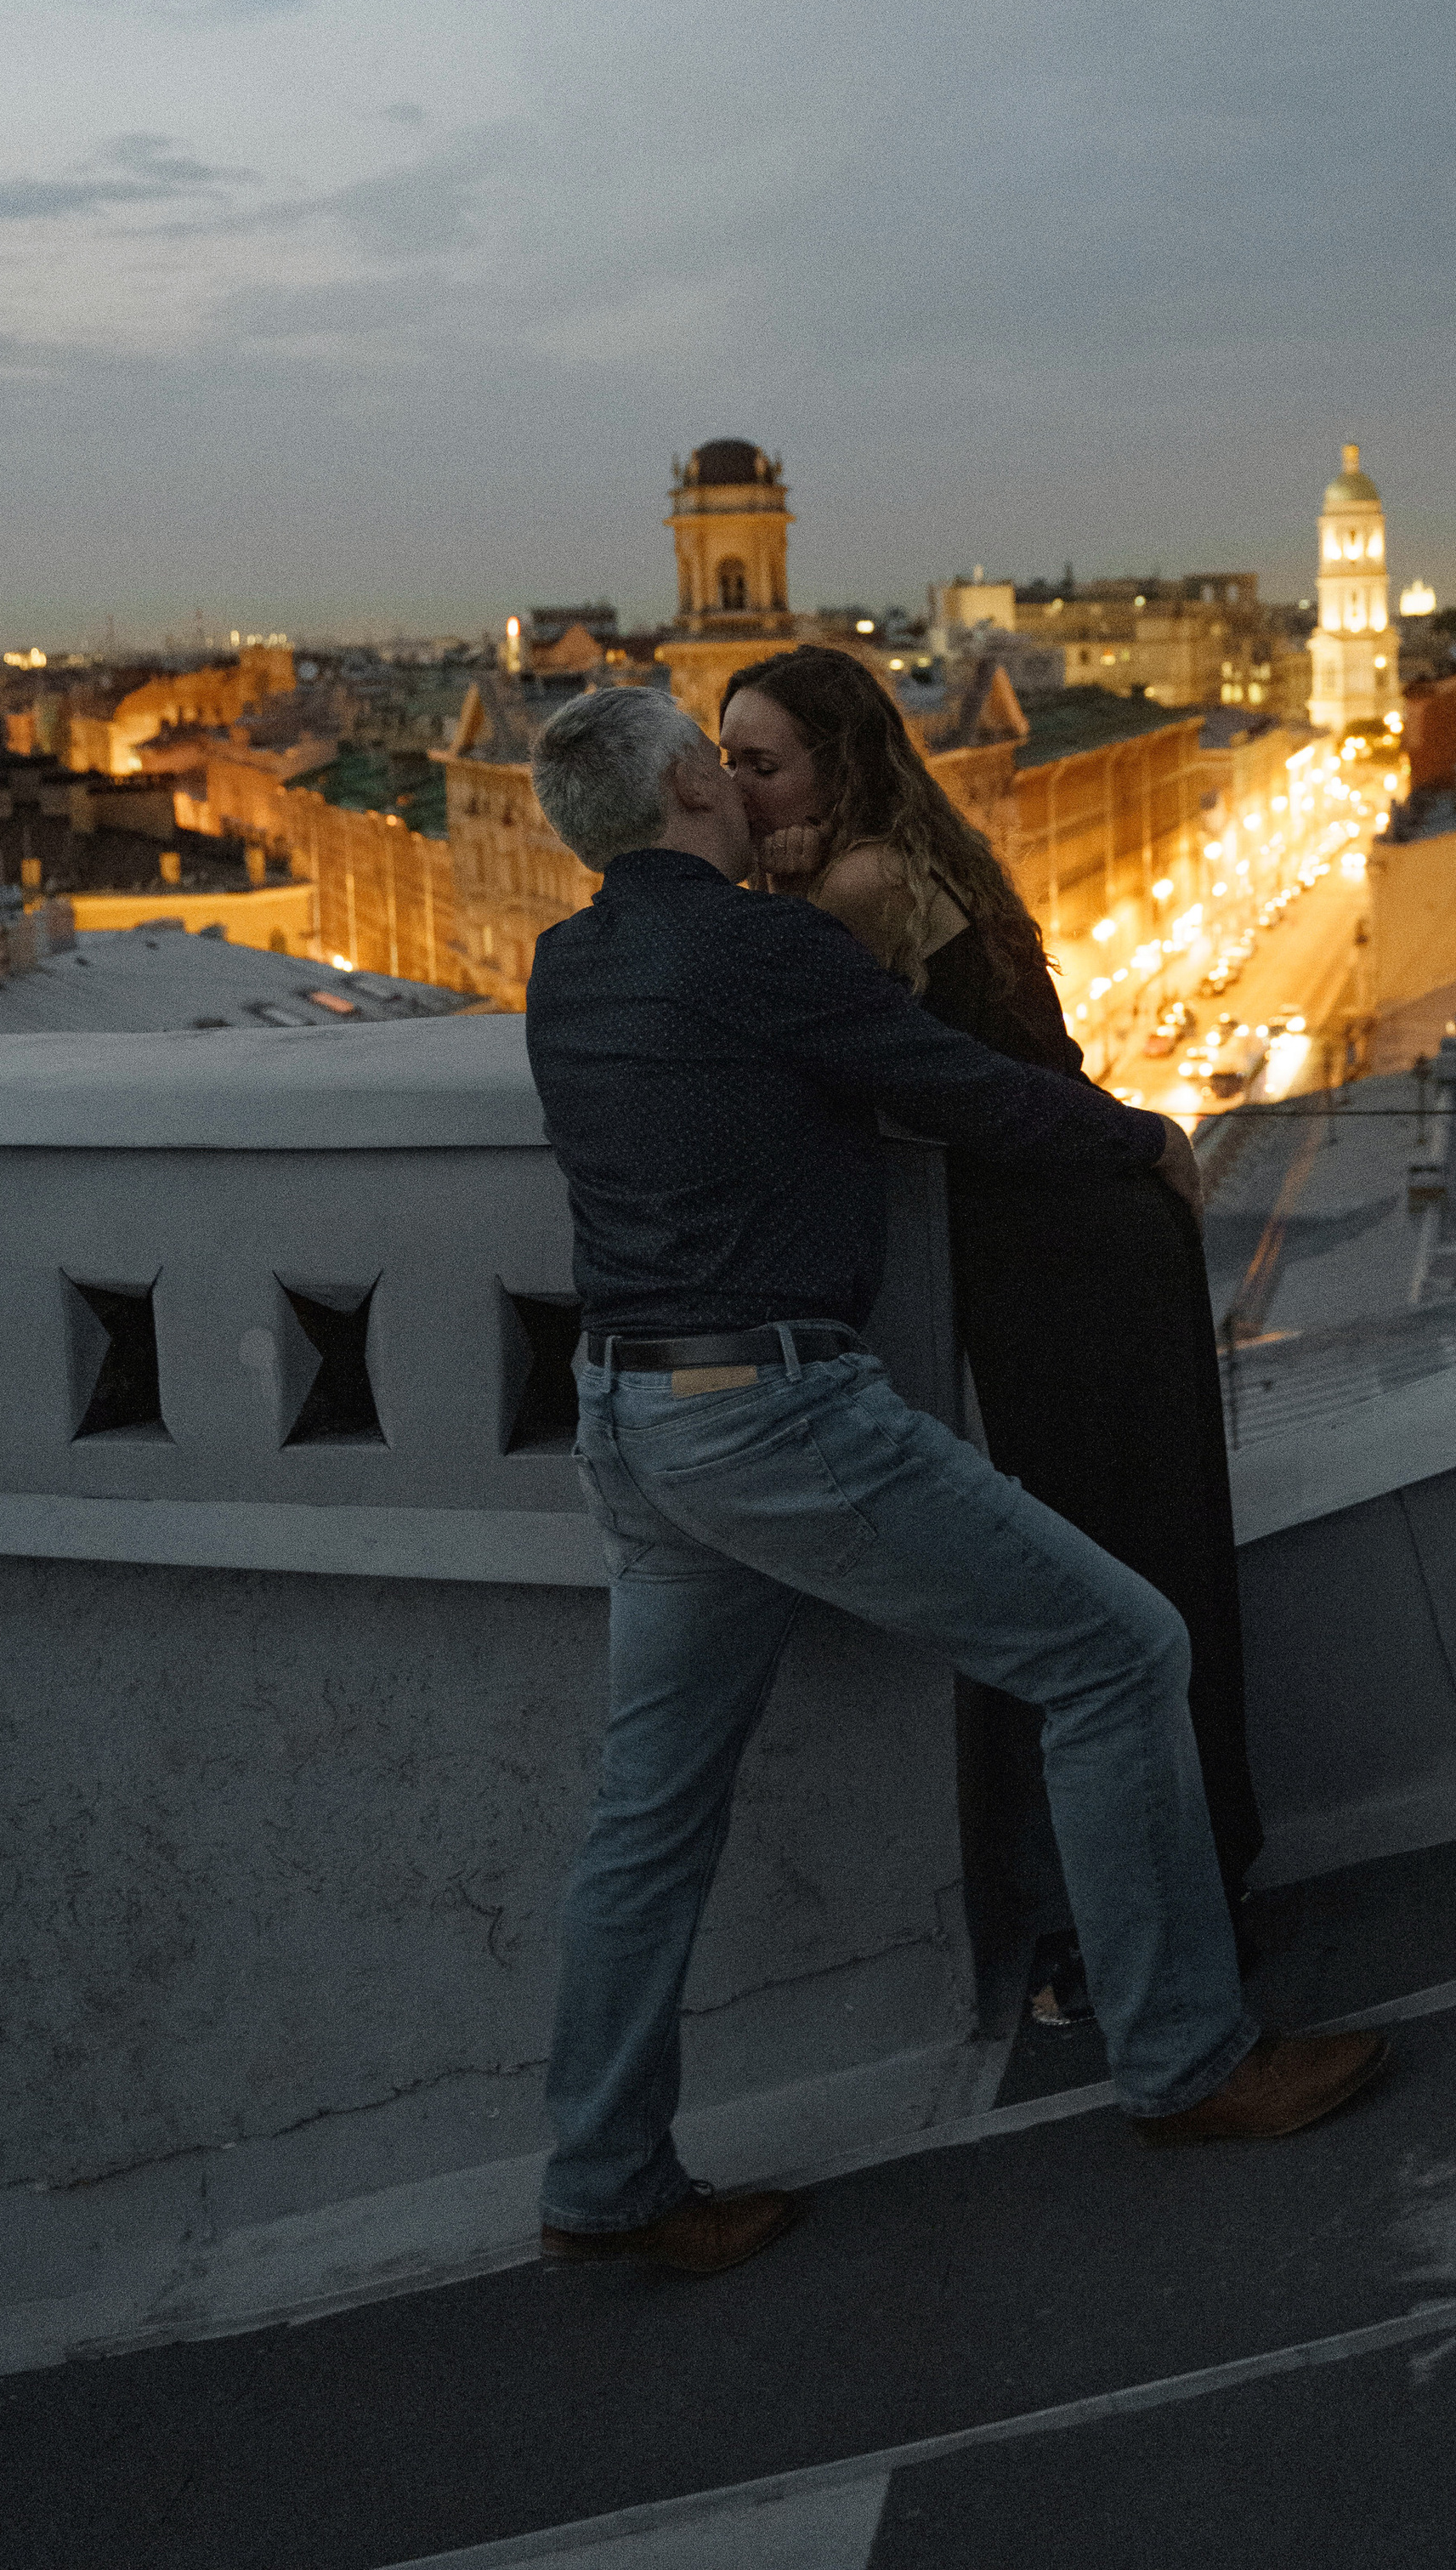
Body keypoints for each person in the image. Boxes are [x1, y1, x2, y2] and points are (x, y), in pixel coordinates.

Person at [524, 684, 1384, 2279]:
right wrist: (1135, 1138)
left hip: (627, 1422)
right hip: (773, 1413)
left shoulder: (565, 966)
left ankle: (603, 2177)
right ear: (693, 789)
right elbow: (962, 1087)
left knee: (647, 1819)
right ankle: (1189, 2062)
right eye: (717, 763)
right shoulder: (766, 951)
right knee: (1118, 1654)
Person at [718, 646, 1262, 2025]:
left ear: (835, 768)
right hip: (1098, 1236)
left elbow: (802, 1057)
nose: (737, 788)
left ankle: (1117, 1946)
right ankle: (1197, 1892)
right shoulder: (909, 855)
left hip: (1053, 1264)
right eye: (722, 761)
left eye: (760, 763)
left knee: (1090, 1596)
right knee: (1158, 1562)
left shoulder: (859, 890)